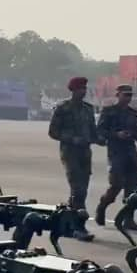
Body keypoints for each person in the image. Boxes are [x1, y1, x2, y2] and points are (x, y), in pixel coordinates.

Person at [48, 77, 99, 241]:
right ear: (73, 90)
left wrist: (102, 139)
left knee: (81, 191)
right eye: (80, 89)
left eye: (84, 89)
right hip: (70, 153)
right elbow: (53, 132)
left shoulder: (88, 109)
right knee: (78, 190)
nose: (83, 92)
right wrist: (72, 139)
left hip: (85, 154)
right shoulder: (63, 108)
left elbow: (93, 131)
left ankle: (68, 222)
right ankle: (79, 227)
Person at [94, 84, 137, 229]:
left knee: (133, 188)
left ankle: (128, 219)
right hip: (116, 152)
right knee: (116, 184)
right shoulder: (109, 112)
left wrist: (135, 135)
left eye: (130, 95)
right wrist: (116, 134)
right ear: (118, 95)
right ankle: (102, 206)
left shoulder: (132, 113)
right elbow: (100, 130)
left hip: (130, 152)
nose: (128, 98)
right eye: (125, 95)